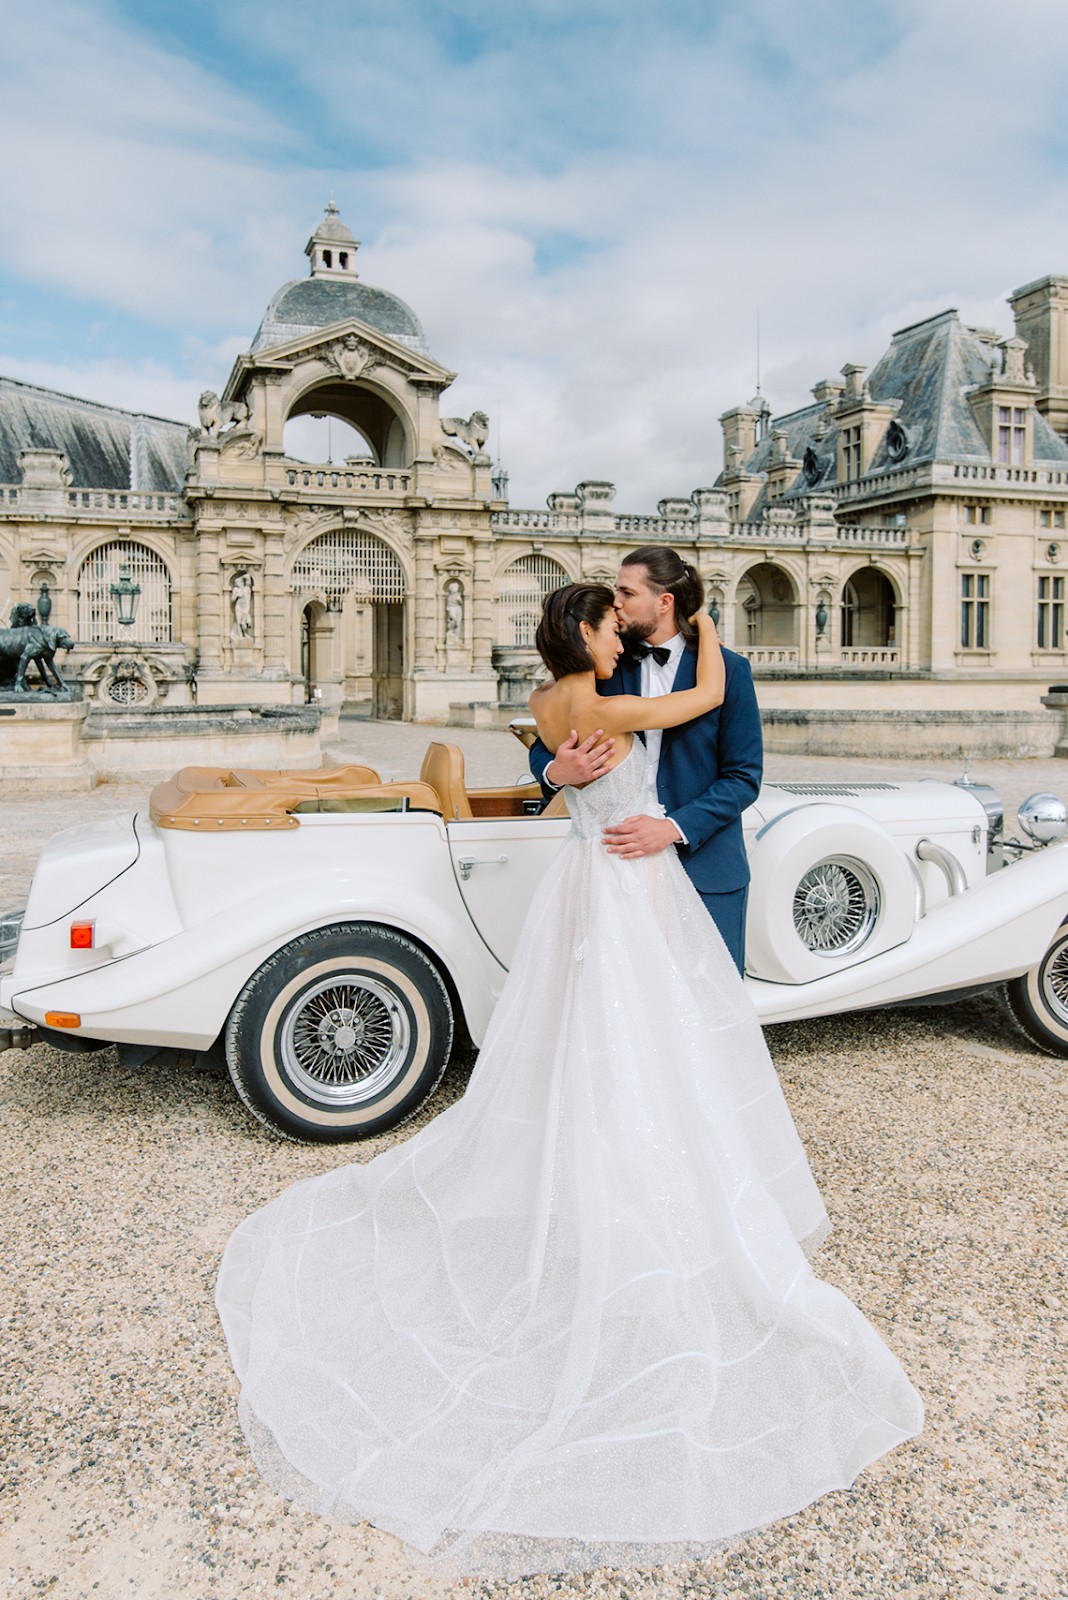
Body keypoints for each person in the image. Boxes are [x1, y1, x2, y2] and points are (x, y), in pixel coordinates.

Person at [216, 584, 922, 1579]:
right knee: (646, 1040)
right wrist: (710, 632)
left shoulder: (553, 700)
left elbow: (571, 764)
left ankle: (599, 1167)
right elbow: (697, 699)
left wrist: (553, 765)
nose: (620, 625)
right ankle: (647, 1194)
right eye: (608, 616)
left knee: (591, 1039)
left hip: (594, 877)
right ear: (588, 633)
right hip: (632, 886)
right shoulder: (610, 698)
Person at [529, 546, 762, 974]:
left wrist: (673, 828)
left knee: (708, 1010)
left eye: (626, 592)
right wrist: (553, 770)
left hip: (704, 865)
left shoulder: (730, 669)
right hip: (618, 871)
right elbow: (549, 736)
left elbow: (744, 777)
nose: (615, 603)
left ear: (664, 601)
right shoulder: (605, 661)